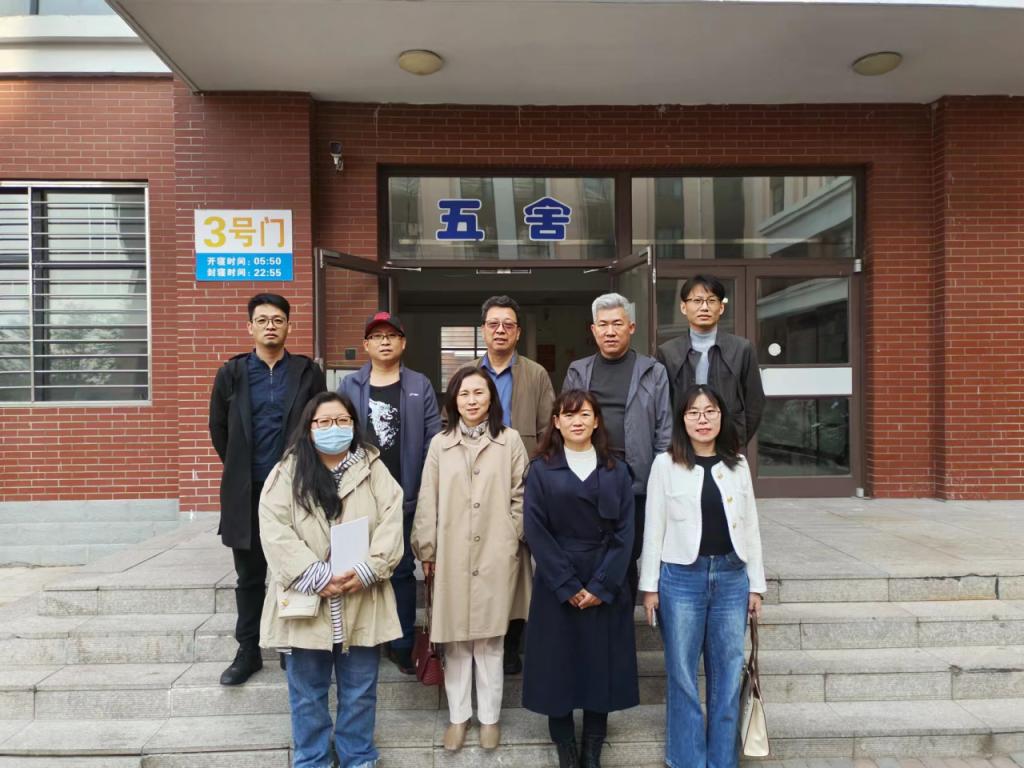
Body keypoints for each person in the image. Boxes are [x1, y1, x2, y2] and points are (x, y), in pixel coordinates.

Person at [259, 391, 404, 768]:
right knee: (307, 695)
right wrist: (314, 573)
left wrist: (369, 568)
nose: (333, 428)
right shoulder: (287, 471)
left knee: (360, 692)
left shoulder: (373, 468)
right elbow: (273, 528)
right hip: (306, 602)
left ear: (354, 425)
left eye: (341, 421)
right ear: (309, 428)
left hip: (362, 598)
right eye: (323, 422)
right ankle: (313, 760)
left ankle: (359, 758)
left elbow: (392, 521)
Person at [639, 384, 767, 768]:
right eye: (693, 412)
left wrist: (756, 585)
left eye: (710, 411)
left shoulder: (737, 465)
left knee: (727, 675)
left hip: (731, 577)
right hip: (681, 579)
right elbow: (653, 528)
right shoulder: (665, 465)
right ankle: (687, 760)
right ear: (682, 420)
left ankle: (722, 760)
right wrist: (649, 588)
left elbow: (751, 527)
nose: (703, 419)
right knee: (681, 674)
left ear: (722, 416)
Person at [209, 293, 326, 686]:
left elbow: (318, 421)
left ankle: (293, 646)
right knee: (249, 575)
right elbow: (219, 429)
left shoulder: (307, 372)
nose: (270, 326)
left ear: (289, 326)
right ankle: (248, 650)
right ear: (250, 327)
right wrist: (242, 466)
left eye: (278, 319)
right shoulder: (232, 373)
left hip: (297, 488)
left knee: (294, 566)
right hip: (247, 489)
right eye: (262, 320)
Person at [412, 366, 529, 752]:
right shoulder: (440, 444)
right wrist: (427, 548)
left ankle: (490, 718)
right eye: (464, 394)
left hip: (496, 551)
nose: (472, 400)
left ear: (492, 398)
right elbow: (428, 498)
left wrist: (512, 535)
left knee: (491, 641)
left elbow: (522, 494)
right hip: (452, 552)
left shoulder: (510, 441)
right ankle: (458, 717)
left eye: (479, 393)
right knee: (457, 641)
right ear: (453, 401)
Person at [522, 389, 639, 768]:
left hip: (607, 578)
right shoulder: (541, 470)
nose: (577, 421)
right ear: (556, 422)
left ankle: (592, 749)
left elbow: (626, 532)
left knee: (599, 666)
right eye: (569, 415)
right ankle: (566, 749)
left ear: (596, 420)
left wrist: (602, 585)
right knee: (557, 665)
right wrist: (568, 585)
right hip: (558, 582)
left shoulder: (616, 469)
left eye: (585, 414)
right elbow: (536, 530)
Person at [338, 311, 441, 674]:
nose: (384, 341)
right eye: (377, 336)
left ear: (403, 343)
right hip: (361, 493)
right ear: (366, 345)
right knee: (359, 564)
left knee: (401, 569)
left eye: (391, 335)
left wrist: (426, 487)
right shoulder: (350, 385)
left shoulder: (419, 384)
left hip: (405, 493)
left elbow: (432, 439)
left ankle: (401, 643)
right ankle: (363, 638)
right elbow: (340, 433)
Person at [563, 292, 671, 599]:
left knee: (627, 551)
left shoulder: (652, 371)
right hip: (587, 474)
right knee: (589, 546)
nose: (610, 331)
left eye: (617, 324)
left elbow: (664, 430)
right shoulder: (578, 371)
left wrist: (660, 480)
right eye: (603, 325)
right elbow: (565, 423)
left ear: (631, 327)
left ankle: (621, 619)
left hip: (636, 480)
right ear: (593, 329)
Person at [474, 294, 554, 674]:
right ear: (484, 330)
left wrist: (534, 475)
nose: (500, 330)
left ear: (518, 332)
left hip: (522, 484)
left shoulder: (536, 375)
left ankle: (512, 645)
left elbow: (548, 431)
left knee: (518, 566)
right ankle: (483, 636)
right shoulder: (469, 374)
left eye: (508, 324)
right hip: (474, 485)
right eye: (493, 324)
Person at [656, 275, 765, 446]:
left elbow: (754, 402)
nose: (704, 307)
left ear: (721, 308)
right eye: (697, 301)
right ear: (683, 307)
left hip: (727, 444)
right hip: (681, 445)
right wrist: (672, 442)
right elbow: (661, 404)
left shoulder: (742, 349)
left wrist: (736, 441)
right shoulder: (667, 352)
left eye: (711, 301)